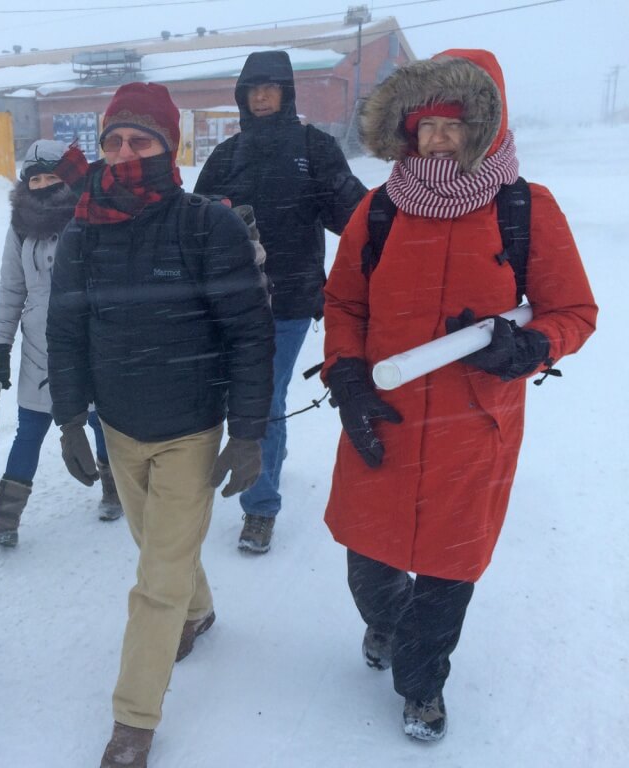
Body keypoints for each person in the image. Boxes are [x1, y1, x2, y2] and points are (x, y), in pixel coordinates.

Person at [321, 49, 597, 742]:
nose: (438, 136)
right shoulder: (379, 210)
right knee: (368, 556)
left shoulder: (525, 208)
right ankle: (387, 622)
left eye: (456, 123)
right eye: (426, 124)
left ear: (487, 128)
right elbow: (345, 303)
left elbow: (573, 309)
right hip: (383, 412)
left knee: (449, 565)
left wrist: (534, 346)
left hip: (474, 426)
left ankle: (421, 686)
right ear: (406, 131)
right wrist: (346, 375)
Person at [47, 82, 274, 767]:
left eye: (139, 141)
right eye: (113, 141)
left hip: (191, 428)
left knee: (156, 579)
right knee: (160, 551)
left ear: (167, 146)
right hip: (119, 426)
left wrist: (248, 431)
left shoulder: (208, 225)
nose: (123, 153)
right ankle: (197, 613)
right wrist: (67, 419)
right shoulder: (82, 231)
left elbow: (249, 334)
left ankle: (134, 720)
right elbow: (65, 332)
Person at [194, 50, 367, 554]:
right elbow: (195, 224)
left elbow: (356, 218)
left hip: (290, 299)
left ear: (287, 93)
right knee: (240, 397)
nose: (262, 97)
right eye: (253, 89)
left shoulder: (314, 148)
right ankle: (258, 470)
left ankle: (260, 507)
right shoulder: (225, 156)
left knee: (263, 399)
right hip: (228, 302)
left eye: (272, 88)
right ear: (242, 96)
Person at [0, 140, 121, 548]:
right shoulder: (20, 226)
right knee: (30, 428)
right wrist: (0, 345)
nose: (42, 185)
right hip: (38, 349)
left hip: (85, 342)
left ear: (68, 178)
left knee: (97, 421)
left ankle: (114, 489)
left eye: (51, 176)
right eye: (34, 178)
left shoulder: (90, 219)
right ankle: (6, 518)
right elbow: (11, 289)